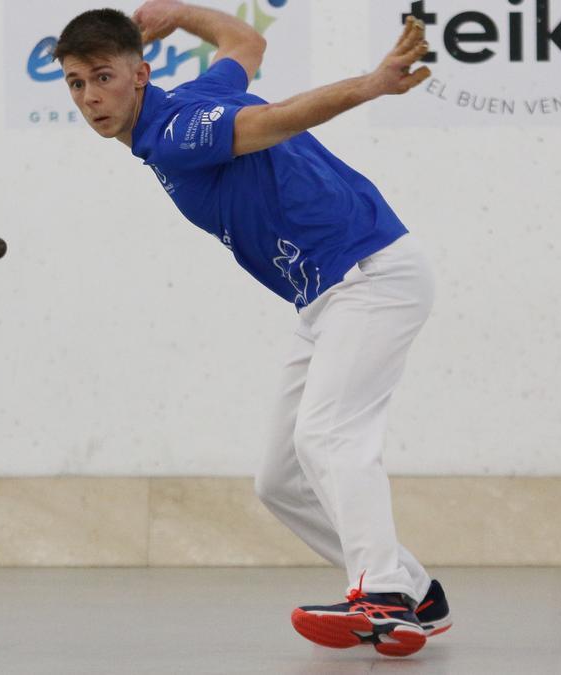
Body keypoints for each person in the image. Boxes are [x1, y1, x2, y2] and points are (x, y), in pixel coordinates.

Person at [54, 0, 452, 658]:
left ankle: (380, 591)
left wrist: (371, 84)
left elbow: (271, 120)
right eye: (76, 83)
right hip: (326, 295)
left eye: (103, 76)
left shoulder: (178, 131)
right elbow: (244, 40)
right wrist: (183, 13)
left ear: (140, 75)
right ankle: (412, 587)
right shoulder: (197, 95)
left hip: (370, 274)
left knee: (328, 433)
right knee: (280, 479)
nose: (91, 97)